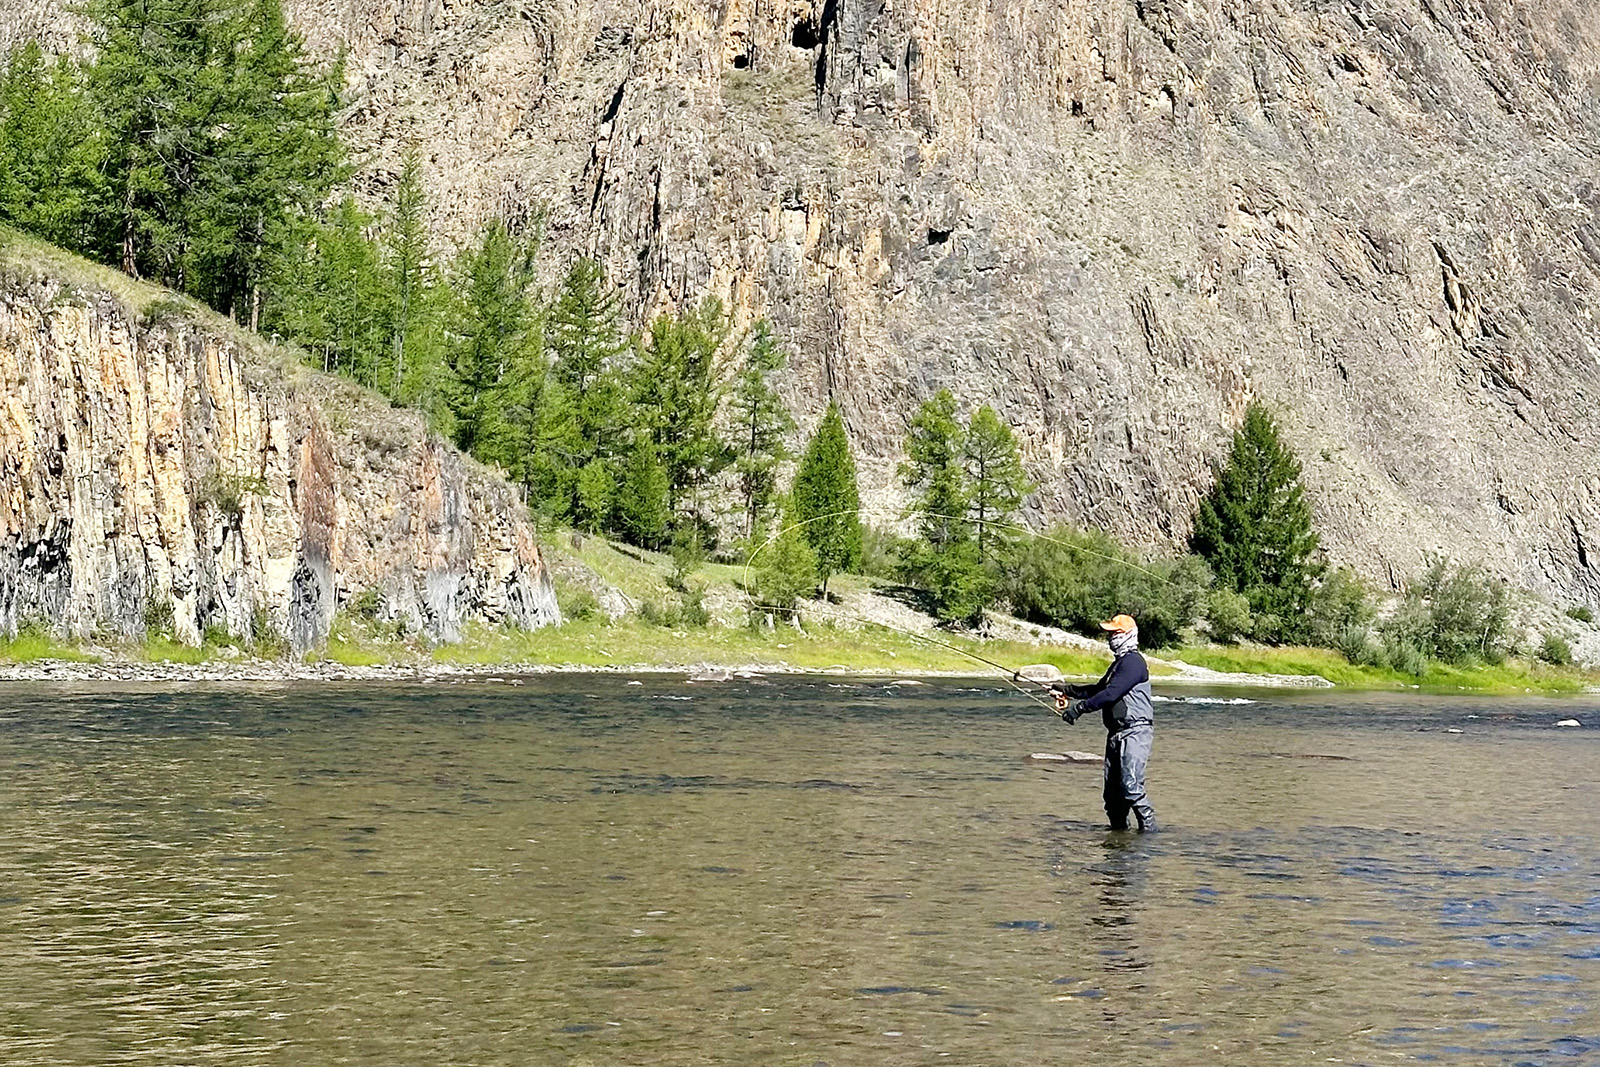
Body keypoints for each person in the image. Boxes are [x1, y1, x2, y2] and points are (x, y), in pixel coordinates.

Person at [1053, 614, 1156, 833]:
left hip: (1135, 732)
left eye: (1114, 633)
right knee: (1112, 797)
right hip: (1116, 734)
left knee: (1131, 787)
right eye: (1108, 633)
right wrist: (1067, 690)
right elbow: (1098, 690)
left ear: (1128, 635)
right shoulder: (1118, 664)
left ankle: (1149, 835)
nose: (1109, 638)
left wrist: (1078, 710)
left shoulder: (1133, 662)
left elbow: (1111, 694)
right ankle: (1119, 840)